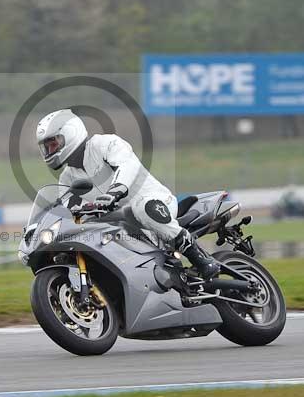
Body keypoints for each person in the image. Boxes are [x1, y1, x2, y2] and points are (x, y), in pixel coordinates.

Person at [35, 108, 221, 279]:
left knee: (140, 208)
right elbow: (68, 209)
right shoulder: (67, 179)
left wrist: (115, 191)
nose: (50, 150)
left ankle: (201, 258)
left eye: (53, 143)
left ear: (70, 133)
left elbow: (127, 164)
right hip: (121, 224)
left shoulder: (104, 144)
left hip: (155, 202)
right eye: (47, 147)